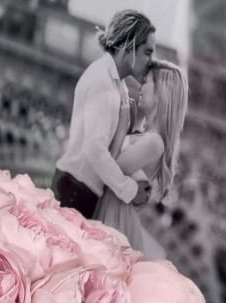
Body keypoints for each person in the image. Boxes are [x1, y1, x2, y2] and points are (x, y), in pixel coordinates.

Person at [52, 9, 157, 219]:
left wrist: (137, 177)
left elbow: (114, 145)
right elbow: (96, 150)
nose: (150, 61)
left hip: (80, 190)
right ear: (129, 47)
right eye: (147, 52)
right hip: (75, 191)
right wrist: (129, 189)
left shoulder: (117, 87)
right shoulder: (103, 83)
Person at [96, 60, 189, 258]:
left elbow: (110, 169)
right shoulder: (147, 137)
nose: (141, 87)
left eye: (146, 82)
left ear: (160, 93)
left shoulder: (155, 142)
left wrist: (122, 127)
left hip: (113, 219)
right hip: (111, 212)